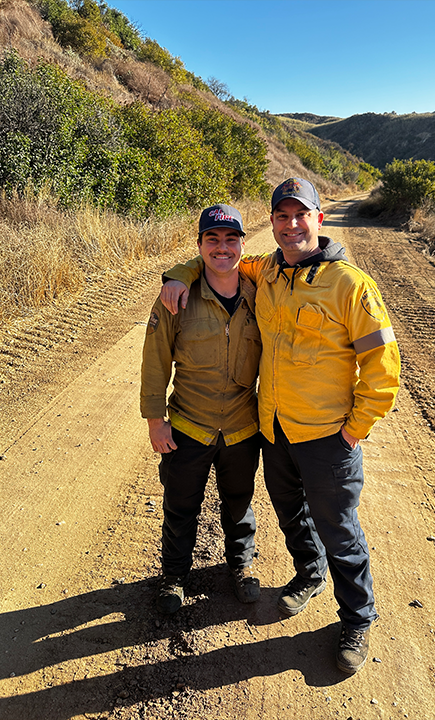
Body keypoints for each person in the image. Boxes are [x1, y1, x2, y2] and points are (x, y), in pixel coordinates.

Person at [160, 178, 400, 674]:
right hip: (274, 429)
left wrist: (355, 429)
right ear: (271, 224)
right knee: (291, 513)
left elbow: (383, 366)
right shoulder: (265, 270)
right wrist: (178, 274)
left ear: (319, 217)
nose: (292, 226)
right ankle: (308, 575)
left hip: (328, 435)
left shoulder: (351, 284)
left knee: (340, 528)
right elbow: (215, 259)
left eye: (301, 215)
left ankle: (358, 617)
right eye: (282, 217)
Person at [140, 203, 264, 614]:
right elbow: (155, 360)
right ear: (199, 245)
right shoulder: (176, 297)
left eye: (231, 239)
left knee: (239, 504)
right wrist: (156, 421)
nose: (222, 248)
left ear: (243, 244)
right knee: (180, 506)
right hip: (189, 425)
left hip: (243, 427)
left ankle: (241, 567)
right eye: (212, 239)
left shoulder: (259, 295)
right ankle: (174, 577)